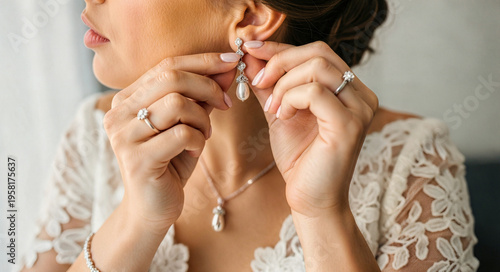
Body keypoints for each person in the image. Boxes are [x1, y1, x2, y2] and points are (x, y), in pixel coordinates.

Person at [16, 0, 479, 271]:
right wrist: (136, 221)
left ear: (251, 20)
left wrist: (322, 213)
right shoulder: (94, 136)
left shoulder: (412, 161)